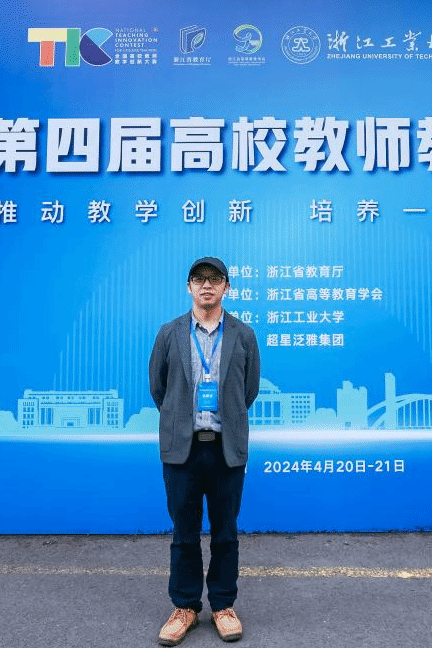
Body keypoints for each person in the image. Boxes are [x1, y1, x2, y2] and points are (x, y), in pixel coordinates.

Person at [149, 256, 261, 645]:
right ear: (189, 287)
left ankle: (223, 606)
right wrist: (182, 421)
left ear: (227, 287)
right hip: (183, 450)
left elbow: (248, 391)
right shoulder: (169, 333)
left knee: (225, 533)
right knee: (184, 533)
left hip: (226, 449)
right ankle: (185, 607)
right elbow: (159, 389)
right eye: (199, 279)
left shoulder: (243, 335)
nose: (207, 285)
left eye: (215, 279)